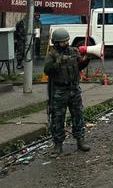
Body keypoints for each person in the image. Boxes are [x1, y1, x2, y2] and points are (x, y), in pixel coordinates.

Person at [44, 28, 91, 156]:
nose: (66, 43)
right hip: (59, 90)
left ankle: (80, 140)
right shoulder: (51, 55)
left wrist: (86, 61)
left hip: (74, 89)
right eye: (63, 42)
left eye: (67, 41)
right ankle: (58, 145)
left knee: (78, 115)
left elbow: (78, 67)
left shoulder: (73, 51)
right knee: (58, 118)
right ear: (56, 42)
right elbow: (47, 70)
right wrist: (59, 62)